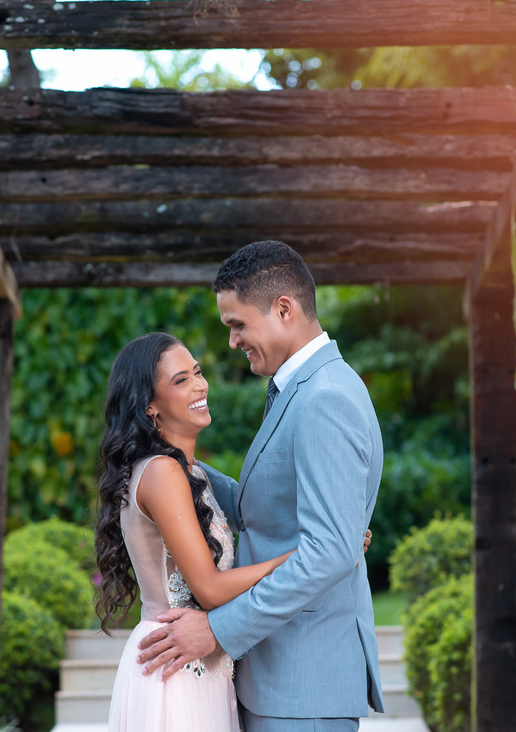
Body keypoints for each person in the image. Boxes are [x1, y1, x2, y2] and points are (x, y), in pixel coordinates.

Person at [136, 240, 385, 732]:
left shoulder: (324, 399)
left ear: (284, 309)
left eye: (238, 325)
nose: (233, 341)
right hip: (281, 680)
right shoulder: (302, 390)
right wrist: (170, 465)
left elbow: (329, 553)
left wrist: (217, 630)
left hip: (302, 686)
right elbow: (265, 502)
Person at [94, 332, 372, 731]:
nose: (199, 385)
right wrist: (312, 552)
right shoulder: (163, 473)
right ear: (149, 406)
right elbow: (208, 588)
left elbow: (257, 508)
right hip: (177, 669)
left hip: (203, 668)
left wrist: (339, 528)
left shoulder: (191, 472)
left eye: (197, 372)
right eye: (180, 380)